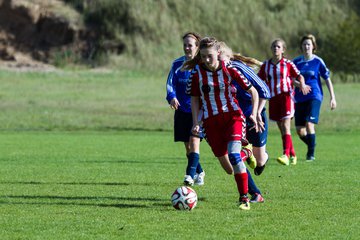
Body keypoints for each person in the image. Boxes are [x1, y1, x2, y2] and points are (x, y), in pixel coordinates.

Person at [183, 37, 260, 210]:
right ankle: (246, 153)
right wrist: (196, 122)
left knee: (233, 156)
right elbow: (194, 99)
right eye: (203, 56)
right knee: (229, 168)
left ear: (218, 53)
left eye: (209, 56)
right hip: (211, 123)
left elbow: (253, 91)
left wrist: (254, 114)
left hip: (232, 117)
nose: (207, 60)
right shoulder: (197, 73)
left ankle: (244, 199)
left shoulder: (229, 69)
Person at [217, 42, 270, 203]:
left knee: (259, 160)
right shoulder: (216, 74)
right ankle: (255, 194)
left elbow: (264, 91)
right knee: (235, 158)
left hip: (255, 116)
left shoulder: (239, 68)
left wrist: (257, 113)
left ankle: (259, 157)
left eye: (221, 59)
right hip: (236, 119)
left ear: (229, 58)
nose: (218, 64)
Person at [258, 38, 310, 166]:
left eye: (278, 47)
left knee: (286, 126)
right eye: (274, 46)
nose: (276, 48)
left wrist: (302, 84)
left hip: (286, 97)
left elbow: (299, 76)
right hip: (273, 99)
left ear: (283, 50)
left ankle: (285, 155)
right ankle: (293, 154)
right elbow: (259, 80)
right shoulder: (266, 65)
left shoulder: (288, 64)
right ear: (271, 49)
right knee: (282, 129)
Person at [166, 31, 205, 186]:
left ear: (196, 47)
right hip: (181, 110)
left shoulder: (202, 65)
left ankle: (189, 175)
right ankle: (200, 171)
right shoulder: (177, 64)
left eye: (190, 45)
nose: (187, 48)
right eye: (185, 45)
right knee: (188, 147)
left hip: (198, 113)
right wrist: (172, 97)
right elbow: (170, 84)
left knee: (194, 142)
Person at [293, 34, 337, 161]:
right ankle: (312, 144)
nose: (306, 46)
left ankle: (310, 154)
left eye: (309, 44)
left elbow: (327, 79)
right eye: (304, 44)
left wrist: (332, 97)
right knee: (300, 131)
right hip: (299, 98)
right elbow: (289, 79)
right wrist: (300, 84)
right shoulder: (296, 62)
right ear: (301, 47)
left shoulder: (318, 61)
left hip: (314, 96)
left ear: (313, 47)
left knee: (309, 124)